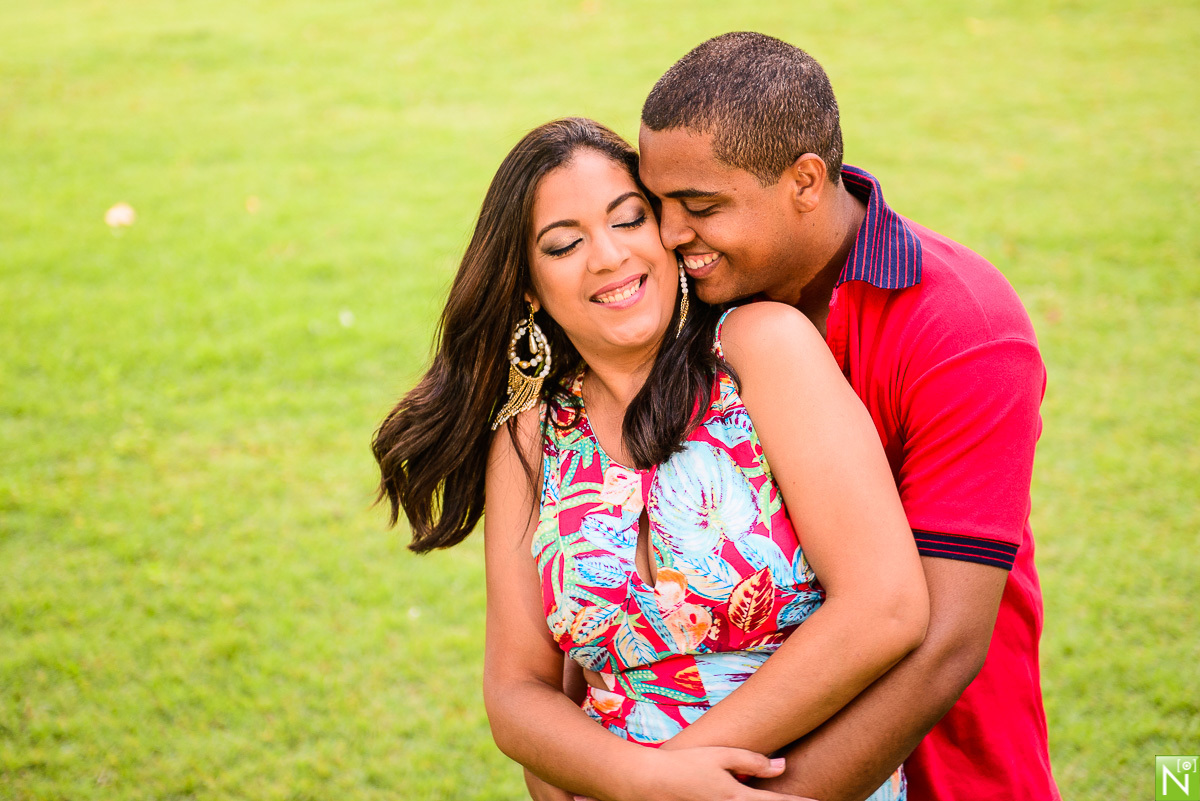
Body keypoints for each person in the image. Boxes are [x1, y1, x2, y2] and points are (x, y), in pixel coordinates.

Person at [372, 117, 932, 801]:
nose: (606, 256)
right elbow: (517, 691)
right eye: (564, 243)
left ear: (666, 231)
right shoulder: (527, 439)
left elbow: (887, 606)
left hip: (799, 777)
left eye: (628, 219)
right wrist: (640, 778)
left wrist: (664, 779)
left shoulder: (761, 351)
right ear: (527, 286)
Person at [621, 32, 1059, 801]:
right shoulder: (685, 304)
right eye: (657, 204)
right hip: (701, 751)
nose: (667, 234)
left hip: (940, 768)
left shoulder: (963, 328)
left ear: (805, 181)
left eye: (700, 206)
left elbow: (945, 642)